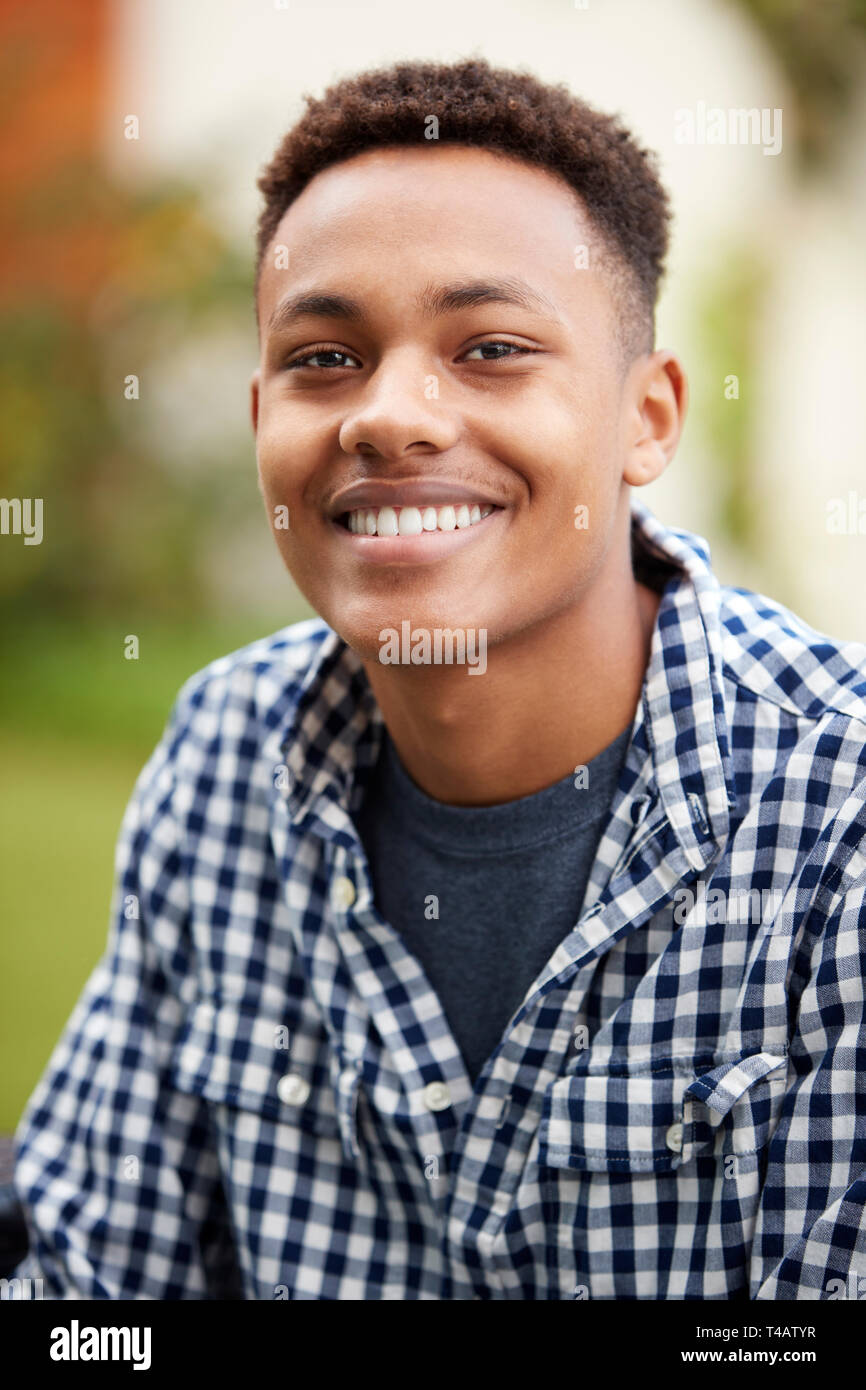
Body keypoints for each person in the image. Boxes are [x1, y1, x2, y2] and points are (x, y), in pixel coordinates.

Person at [6, 58, 866, 1301]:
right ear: (261, 420)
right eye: (323, 358)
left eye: (492, 347)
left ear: (647, 417)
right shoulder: (225, 753)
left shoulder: (835, 817)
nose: (389, 417)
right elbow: (89, 1293)